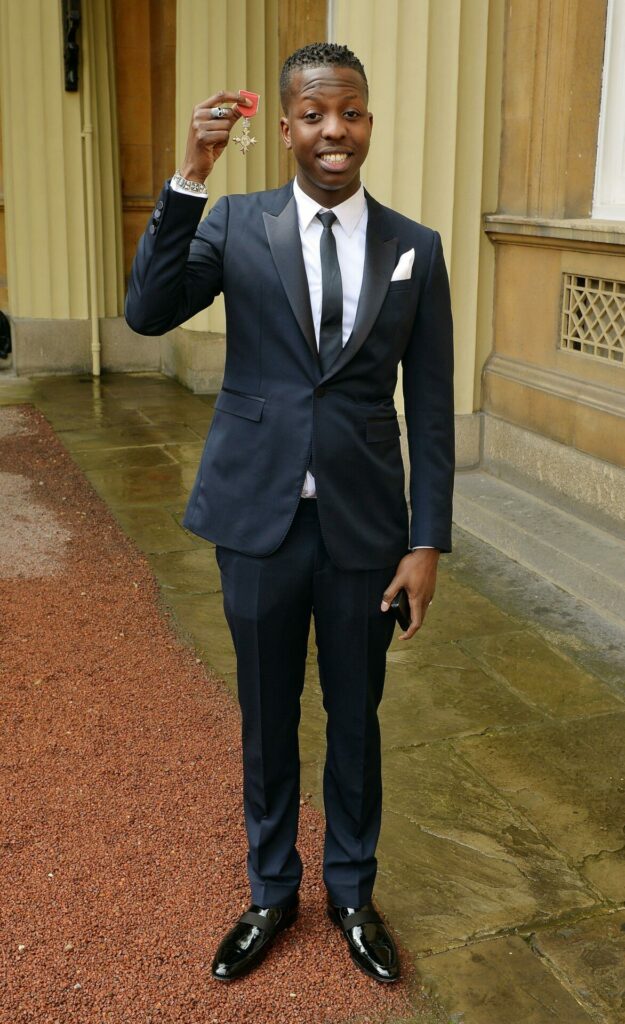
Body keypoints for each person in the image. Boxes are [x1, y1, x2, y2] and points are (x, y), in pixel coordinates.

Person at [126, 42, 454, 985]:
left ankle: (352, 891)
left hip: (364, 533)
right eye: (312, 116)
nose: (332, 133)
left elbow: (428, 410)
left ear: (368, 120)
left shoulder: (414, 249)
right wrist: (190, 173)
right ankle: (271, 890)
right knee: (267, 717)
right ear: (284, 128)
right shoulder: (234, 223)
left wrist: (425, 542)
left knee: (357, 718)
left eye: (347, 112)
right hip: (257, 522)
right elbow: (147, 311)